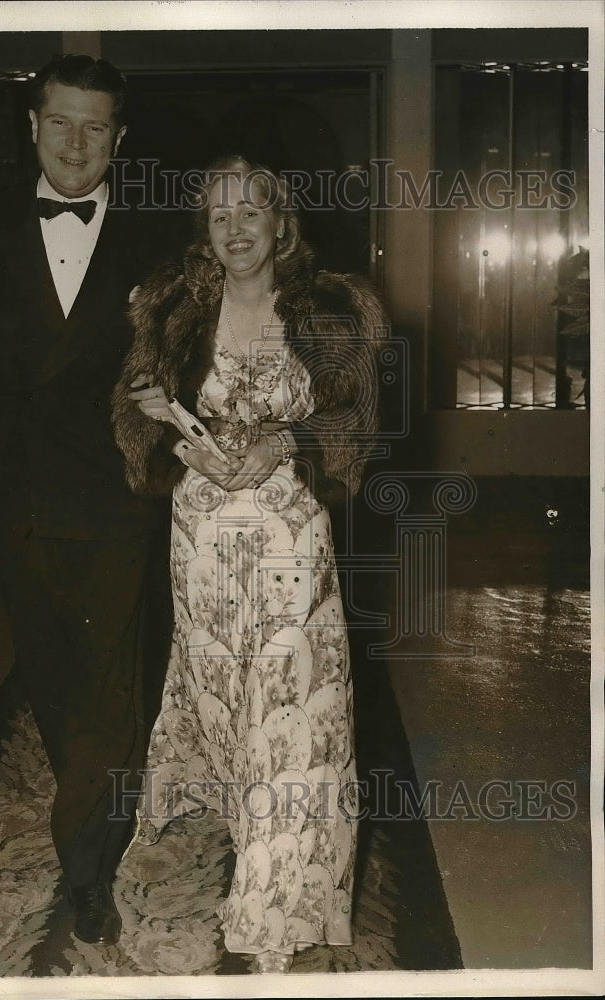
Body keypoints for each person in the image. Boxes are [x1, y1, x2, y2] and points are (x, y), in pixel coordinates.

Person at [112, 156, 387, 972]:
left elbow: (359, 419)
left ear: (279, 223)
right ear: (206, 228)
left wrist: (287, 442)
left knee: (293, 707)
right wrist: (156, 415)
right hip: (198, 533)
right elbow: (133, 411)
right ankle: (243, 839)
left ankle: (274, 904)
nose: (234, 229)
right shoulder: (171, 309)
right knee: (225, 701)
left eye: (250, 213)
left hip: (287, 534)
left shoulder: (331, 310)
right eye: (219, 215)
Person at [0, 54, 171, 946]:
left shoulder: (154, 236)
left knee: (107, 683)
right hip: (17, 496)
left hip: (114, 498)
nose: (75, 144)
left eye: (94, 127)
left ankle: (90, 872)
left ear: (119, 138)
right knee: (57, 676)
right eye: (59, 122)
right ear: (32, 126)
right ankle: (90, 811)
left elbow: (186, 358)